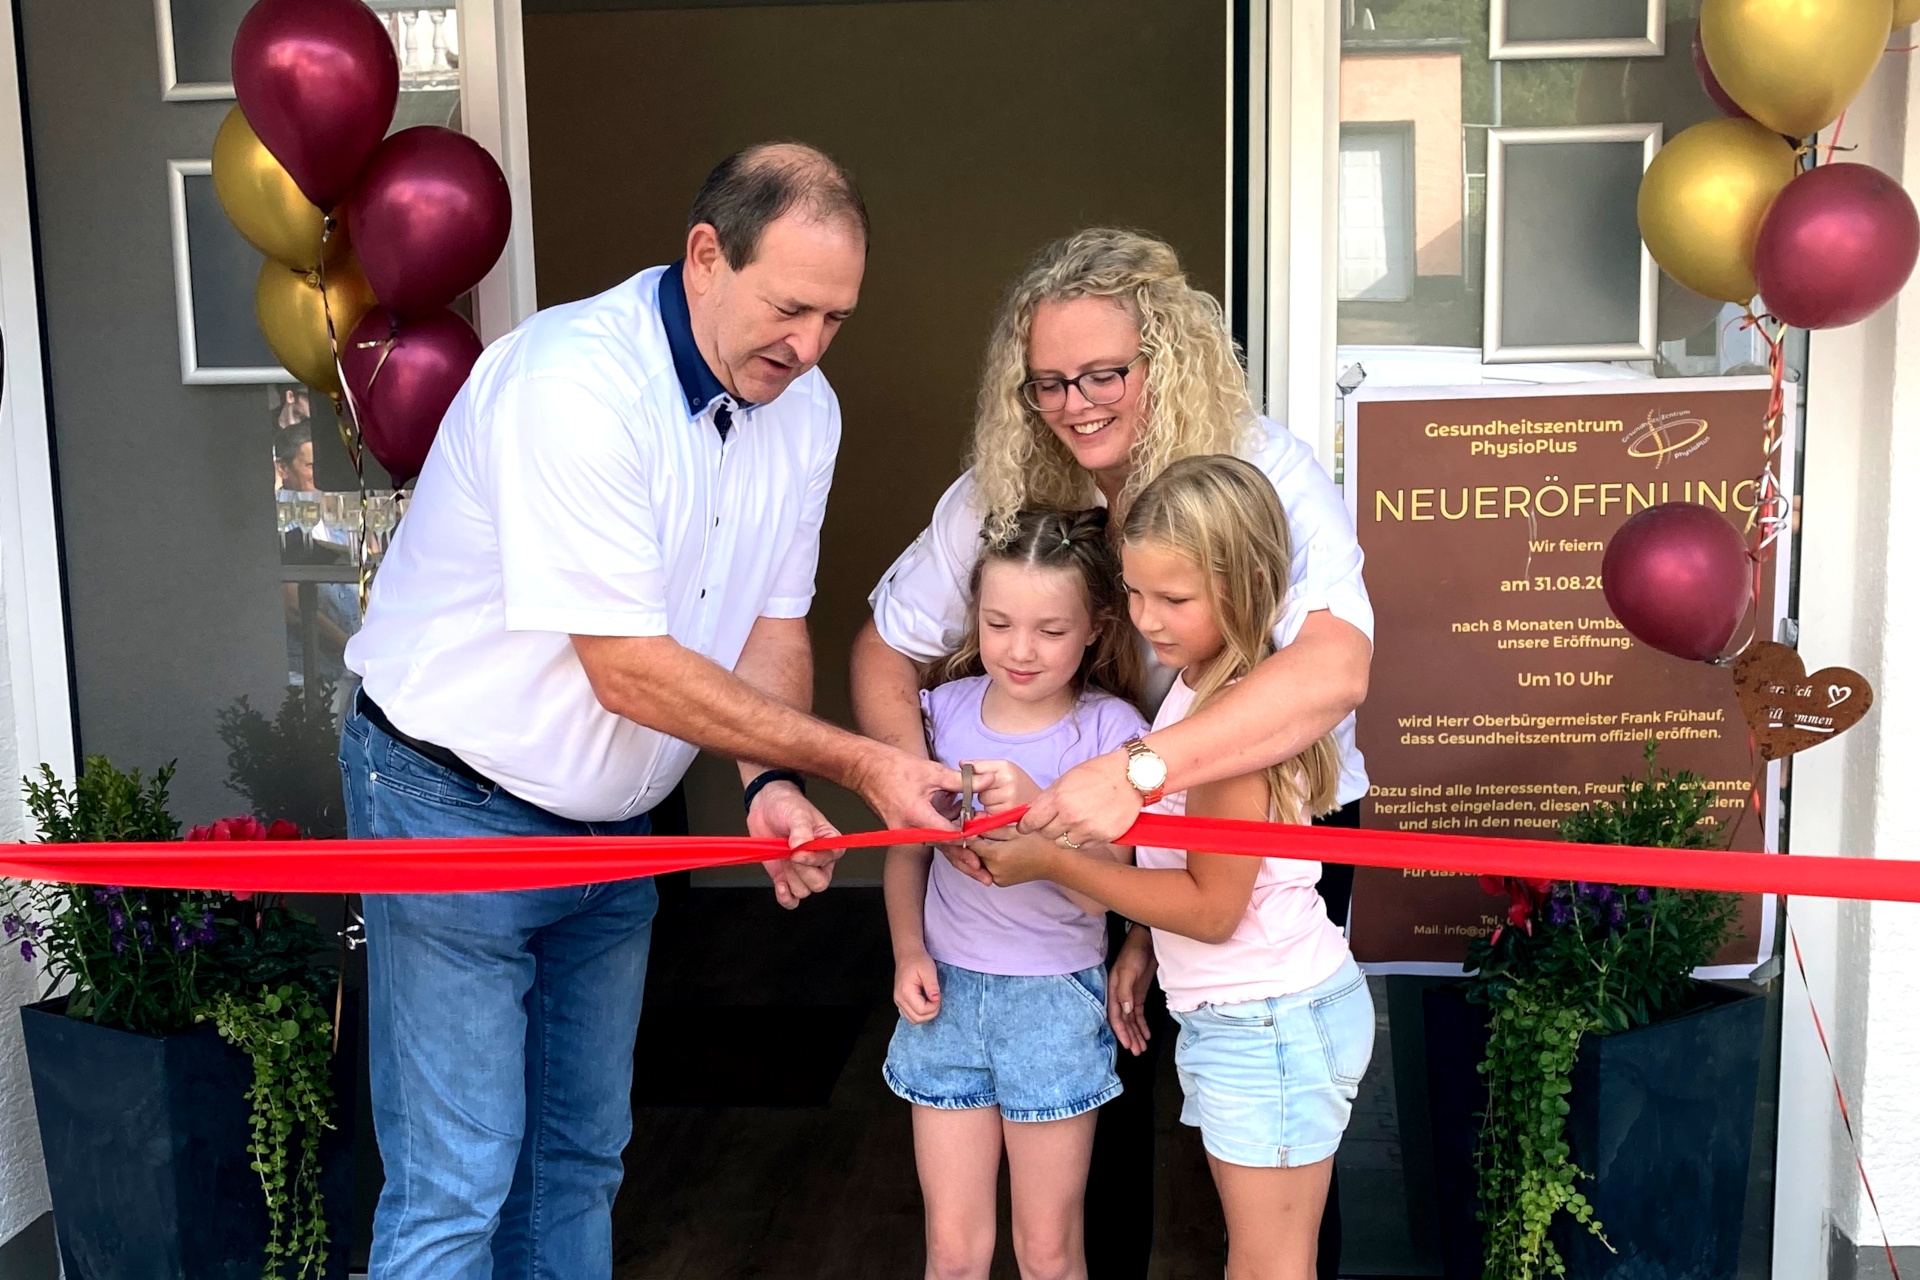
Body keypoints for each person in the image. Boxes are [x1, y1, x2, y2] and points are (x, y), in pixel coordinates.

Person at [338, 142, 958, 1280]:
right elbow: (627, 667)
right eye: (790, 308)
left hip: (619, 830)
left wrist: (770, 784)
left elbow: (774, 621)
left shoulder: (804, 408)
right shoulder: (573, 383)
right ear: (707, 256)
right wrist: (863, 764)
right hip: (449, 804)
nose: (812, 345)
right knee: (460, 1178)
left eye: (836, 317)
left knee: (582, 1157)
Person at [852, 228, 1373, 1277]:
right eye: (1048, 382)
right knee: (1106, 1117)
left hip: (1236, 832)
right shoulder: (1002, 484)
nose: (1076, 403)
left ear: (1165, 362)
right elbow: (882, 647)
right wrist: (919, 784)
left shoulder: (1262, 469)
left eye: (1103, 373)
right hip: (1084, 837)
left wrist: (1138, 772)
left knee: (1268, 1163)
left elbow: (1333, 671)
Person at [972, 456, 1374, 1280]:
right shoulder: (1198, 689)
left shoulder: (1228, 724)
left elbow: (1215, 908)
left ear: (1248, 580)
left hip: (1269, 1022)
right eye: (1136, 592)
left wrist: (1052, 863)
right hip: (1251, 1014)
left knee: (1268, 1271)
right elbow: (1218, 873)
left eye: (1176, 599)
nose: (1147, 620)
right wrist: (1143, 945)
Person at [884, 508, 1148, 1280]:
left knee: (1048, 1251)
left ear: (1098, 628)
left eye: (1051, 630)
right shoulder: (942, 712)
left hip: (1055, 1005)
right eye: (998, 624)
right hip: (945, 999)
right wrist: (906, 952)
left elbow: (1121, 885)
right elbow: (909, 848)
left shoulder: (1113, 736)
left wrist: (1044, 807)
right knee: (953, 1251)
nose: (1020, 651)